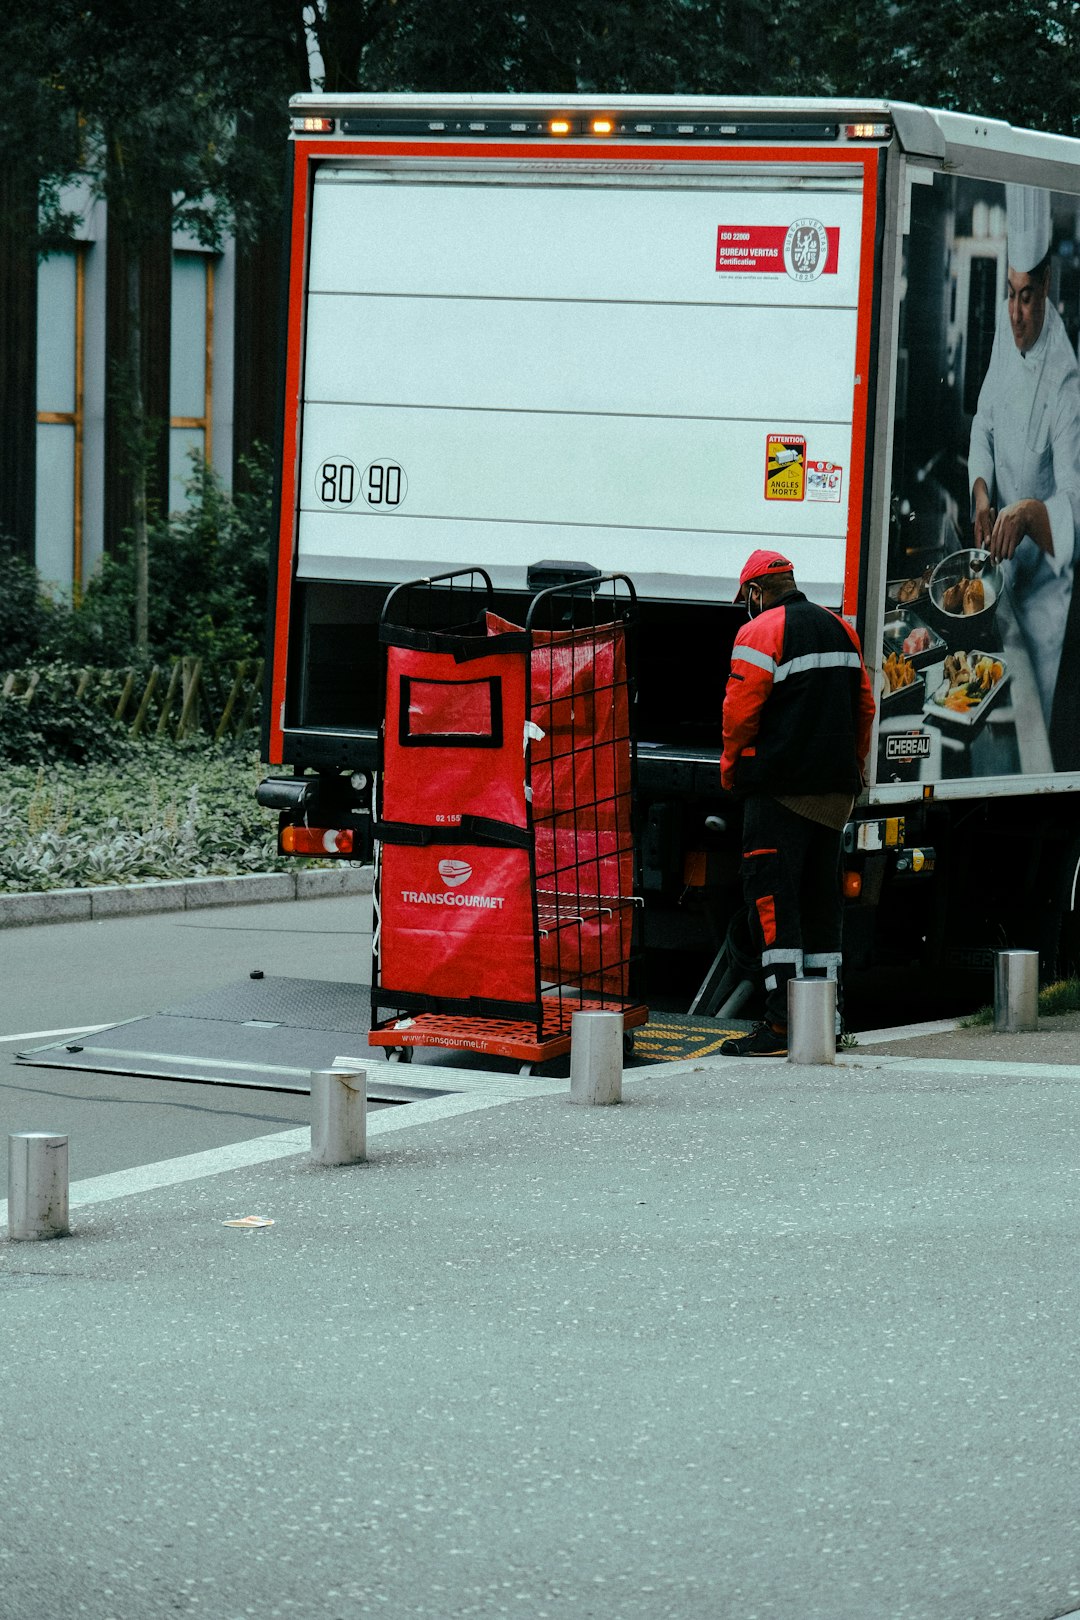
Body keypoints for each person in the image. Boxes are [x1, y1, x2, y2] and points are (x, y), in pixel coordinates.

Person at [718, 550, 876, 1057]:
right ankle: (826, 1018)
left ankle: (782, 1024)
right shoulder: (842, 630)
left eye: (748, 597)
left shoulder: (761, 631)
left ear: (757, 592)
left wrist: (730, 764)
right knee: (821, 904)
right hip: (833, 794)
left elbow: (740, 711)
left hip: (781, 791)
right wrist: (852, 766)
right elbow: (865, 707)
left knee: (772, 903)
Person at [968, 183, 1080, 737]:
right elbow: (983, 421)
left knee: (1024, 730)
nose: (1014, 314)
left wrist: (1029, 513)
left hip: (1042, 606)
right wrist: (984, 493)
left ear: (1048, 287)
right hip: (1001, 571)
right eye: (1010, 294)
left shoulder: (1066, 379)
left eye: (1027, 297)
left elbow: (1075, 510)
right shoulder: (1004, 332)